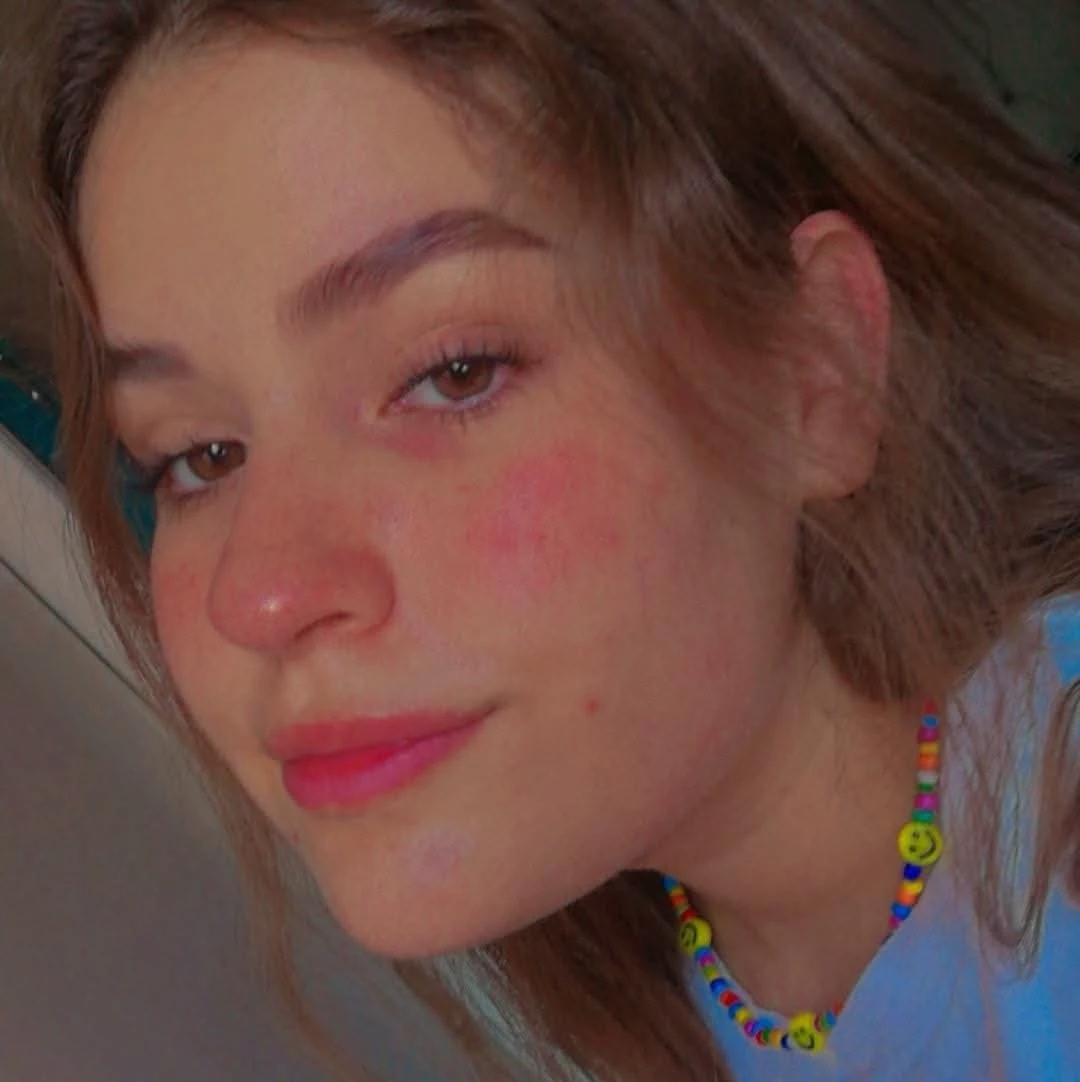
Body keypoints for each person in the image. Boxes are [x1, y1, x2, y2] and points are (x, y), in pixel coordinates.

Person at [2, 2, 1078, 1079]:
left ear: (816, 367)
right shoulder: (667, 991)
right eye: (198, 455)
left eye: (453, 372)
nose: (260, 595)